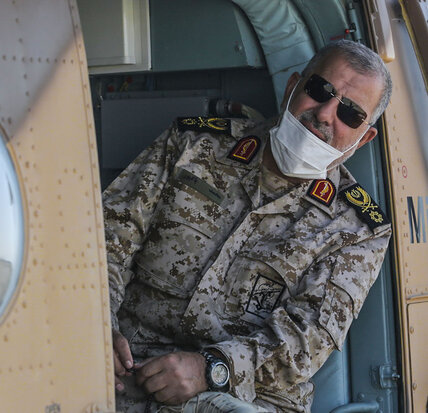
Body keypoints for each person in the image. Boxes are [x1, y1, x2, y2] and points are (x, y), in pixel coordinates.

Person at [103, 39, 393, 412]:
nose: (324, 113)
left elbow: (307, 341)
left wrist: (212, 369)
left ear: (364, 137)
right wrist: (97, 325)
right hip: (126, 365)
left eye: (350, 114)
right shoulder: (192, 144)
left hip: (243, 395)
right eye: (320, 90)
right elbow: (108, 239)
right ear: (293, 88)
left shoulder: (357, 230)